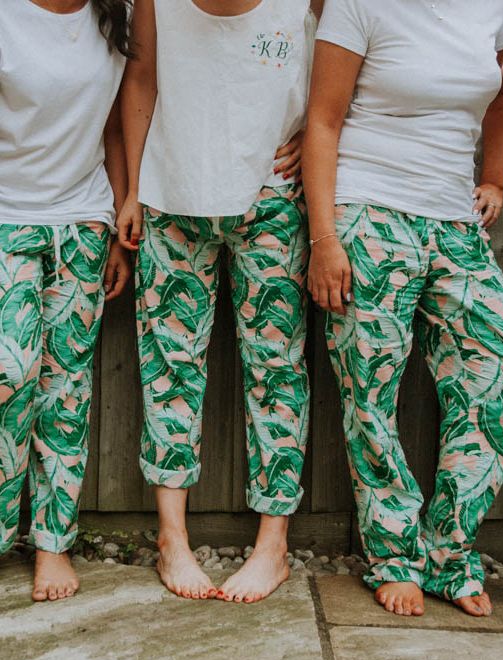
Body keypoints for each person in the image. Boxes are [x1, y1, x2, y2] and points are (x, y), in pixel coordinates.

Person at [302, 0, 503, 618]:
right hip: (369, 210)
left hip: (454, 218)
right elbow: (322, 121)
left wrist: (495, 177)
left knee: (501, 379)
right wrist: (324, 239)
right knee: (370, 390)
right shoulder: (358, 4)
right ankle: (394, 556)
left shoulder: (494, 6)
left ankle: (448, 550)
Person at [118, 0, 317, 603]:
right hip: (171, 196)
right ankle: (171, 539)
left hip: (273, 201)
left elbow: (351, 66)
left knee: (277, 371)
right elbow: (142, 80)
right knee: (169, 369)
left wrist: (316, 132)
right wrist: (130, 188)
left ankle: (272, 545)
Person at [0, 0, 132, 601]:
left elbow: (110, 124)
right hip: (7, 219)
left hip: (82, 220)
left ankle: (53, 542)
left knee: (67, 387)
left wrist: (118, 225)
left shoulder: (117, 14)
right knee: (10, 375)